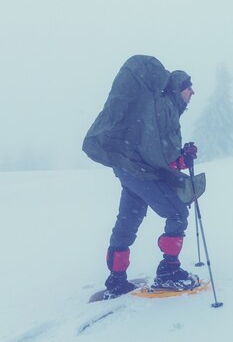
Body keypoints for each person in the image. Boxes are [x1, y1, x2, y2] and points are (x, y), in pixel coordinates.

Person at [82, 55, 202, 299]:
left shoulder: (158, 106)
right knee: (177, 212)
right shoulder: (166, 106)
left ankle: (116, 279)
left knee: (128, 219)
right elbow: (161, 153)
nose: (193, 92)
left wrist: (180, 158)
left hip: (128, 167)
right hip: (141, 172)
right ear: (180, 88)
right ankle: (168, 272)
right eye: (189, 88)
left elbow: (153, 148)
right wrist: (182, 158)